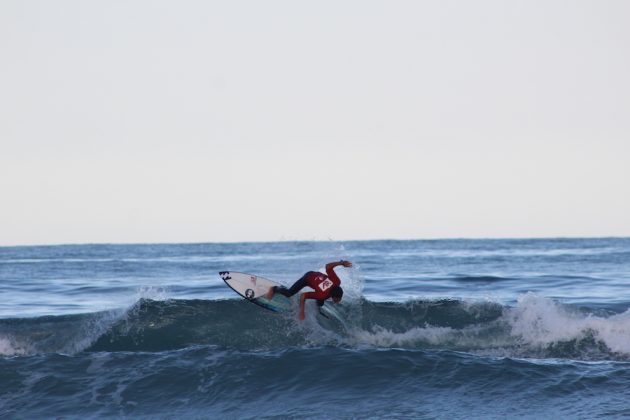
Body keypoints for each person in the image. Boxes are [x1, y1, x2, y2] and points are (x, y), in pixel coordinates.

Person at [266, 260, 353, 320]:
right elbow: (303, 296)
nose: (338, 301)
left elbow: (328, 267)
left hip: (315, 276)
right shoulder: (322, 294)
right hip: (307, 278)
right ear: (332, 295)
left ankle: (318, 308)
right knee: (289, 293)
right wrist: (302, 312)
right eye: (336, 299)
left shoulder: (336, 281)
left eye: (339, 299)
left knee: (321, 301)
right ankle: (274, 289)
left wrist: (341, 263)